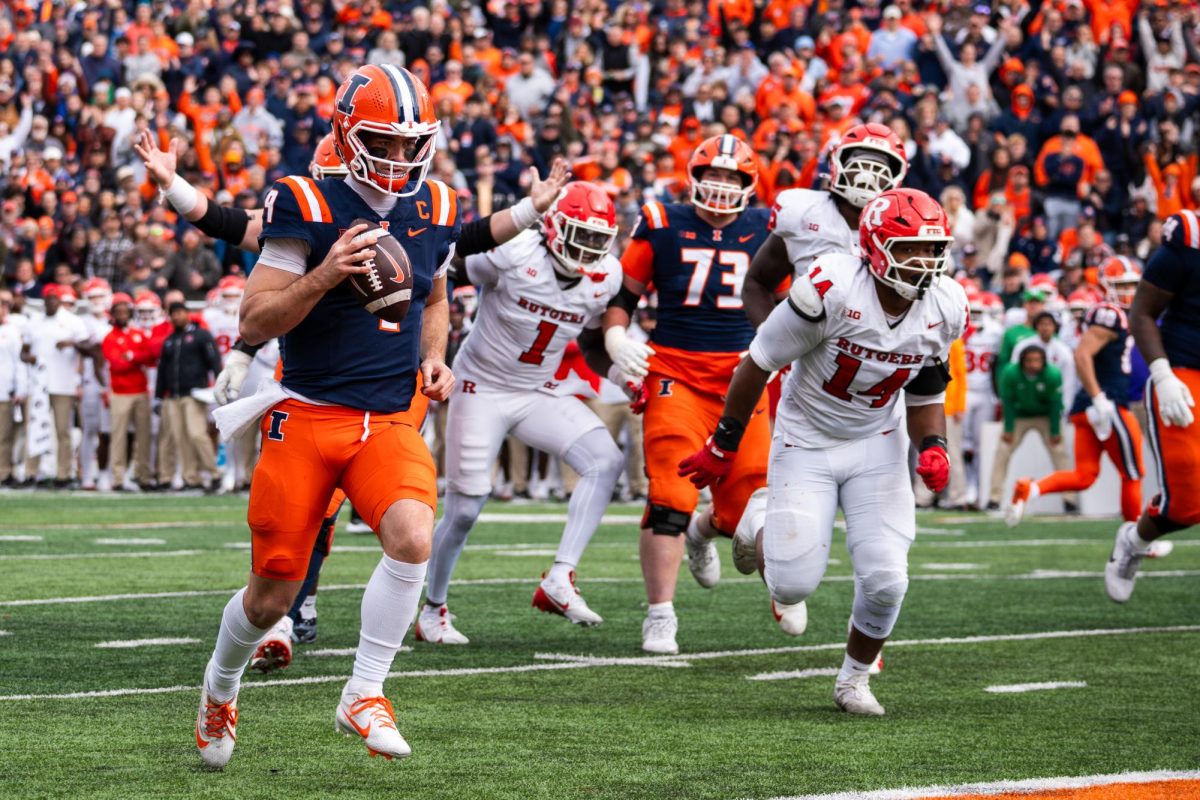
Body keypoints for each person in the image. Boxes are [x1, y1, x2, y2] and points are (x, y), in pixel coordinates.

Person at [136, 128, 568, 657]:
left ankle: (336, 640)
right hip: (315, 384)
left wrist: (530, 208)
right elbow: (232, 230)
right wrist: (173, 185)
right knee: (313, 508)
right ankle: (288, 609)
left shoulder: (422, 210)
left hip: (391, 387)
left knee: (392, 518)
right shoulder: (305, 215)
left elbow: (468, 241)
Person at [680, 188, 966, 716]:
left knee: (887, 578)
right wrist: (723, 444)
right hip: (806, 437)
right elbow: (757, 361)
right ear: (877, 248)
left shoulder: (946, 303)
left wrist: (934, 446)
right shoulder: (831, 286)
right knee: (791, 584)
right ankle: (759, 513)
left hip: (878, 442)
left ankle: (853, 680)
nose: (924, 263)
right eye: (910, 250)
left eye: (932, 250)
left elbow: (927, 388)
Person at [417, 182, 633, 644]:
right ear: (553, 225)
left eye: (599, 239)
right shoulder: (514, 250)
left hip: (537, 390)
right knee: (466, 506)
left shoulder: (606, 276)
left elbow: (593, 343)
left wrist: (620, 371)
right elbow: (447, 267)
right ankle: (431, 608)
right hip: (482, 387)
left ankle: (560, 577)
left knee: (606, 460)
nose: (590, 248)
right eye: (581, 234)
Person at [601, 134, 774, 655]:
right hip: (674, 370)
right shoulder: (661, 221)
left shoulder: (768, 227)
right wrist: (615, 335)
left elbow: (790, 303)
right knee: (670, 494)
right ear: (694, 176)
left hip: (745, 376)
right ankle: (660, 614)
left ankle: (705, 533)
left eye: (732, 177)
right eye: (713, 175)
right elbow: (623, 297)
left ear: (748, 184)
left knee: (747, 511)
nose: (721, 186)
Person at [1105, 209, 1200, 602]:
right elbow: (1142, 311)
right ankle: (1133, 540)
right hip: (1184, 373)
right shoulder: (1190, 238)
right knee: (1188, 505)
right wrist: (1162, 375)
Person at [1008, 257, 1145, 526]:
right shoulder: (1111, 313)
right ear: (1107, 285)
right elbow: (1083, 355)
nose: (1129, 291)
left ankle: (1030, 489)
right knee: (1133, 473)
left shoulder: (1117, 314)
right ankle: (1136, 541)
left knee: (1084, 476)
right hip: (1107, 401)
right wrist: (1099, 397)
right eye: (1122, 285)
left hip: (1087, 407)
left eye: (1132, 285)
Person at [742, 124, 911, 327]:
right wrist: (772, 343)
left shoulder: (908, 228)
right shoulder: (802, 213)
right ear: (836, 163)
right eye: (859, 164)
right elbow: (757, 283)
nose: (867, 176)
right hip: (808, 349)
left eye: (879, 167)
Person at [20, 285, 95, 488]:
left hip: (64, 383)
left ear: (60, 301)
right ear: (44, 300)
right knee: (34, 428)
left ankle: (64, 474)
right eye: (48, 298)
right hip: (38, 385)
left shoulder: (72, 321)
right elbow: (23, 352)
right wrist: (30, 358)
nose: (51, 302)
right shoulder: (34, 322)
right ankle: (31, 472)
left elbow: (89, 348)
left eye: (55, 299)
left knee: (63, 431)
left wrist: (72, 344)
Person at [155, 302, 221, 492]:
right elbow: (163, 370)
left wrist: (218, 386)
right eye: (172, 314)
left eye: (179, 313)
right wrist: (159, 396)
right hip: (174, 395)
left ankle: (214, 473)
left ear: (187, 313)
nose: (176, 317)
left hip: (194, 393)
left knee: (196, 434)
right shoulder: (170, 340)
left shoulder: (201, 335)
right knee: (180, 437)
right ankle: (190, 477)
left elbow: (214, 361)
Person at [101, 294, 155, 491]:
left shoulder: (138, 333)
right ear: (113, 314)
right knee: (118, 436)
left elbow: (149, 358)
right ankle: (117, 477)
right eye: (119, 312)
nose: (123, 315)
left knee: (144, 436)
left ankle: (144, 475)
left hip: (140, 391)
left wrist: (131, 356)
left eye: (125, 311)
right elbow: (117, 364)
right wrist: (135, 358)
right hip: (120, 392)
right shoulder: (110, 337)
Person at [962, 291, 1002, 509]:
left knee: (980, 444)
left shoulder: (995, 332)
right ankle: (968, 487)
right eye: (972, 311)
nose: (975, 317)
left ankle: (979, 487)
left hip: (985, 392)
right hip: (965, 391)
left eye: (979, 312)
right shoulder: (958, 328)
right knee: (963, 444)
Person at [0, 291, 27, 486]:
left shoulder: (11, 331)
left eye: (3, 307)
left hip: (4, 389)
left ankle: (4, 472)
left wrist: (20, 389)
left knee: (4, 436)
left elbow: (19, 362)